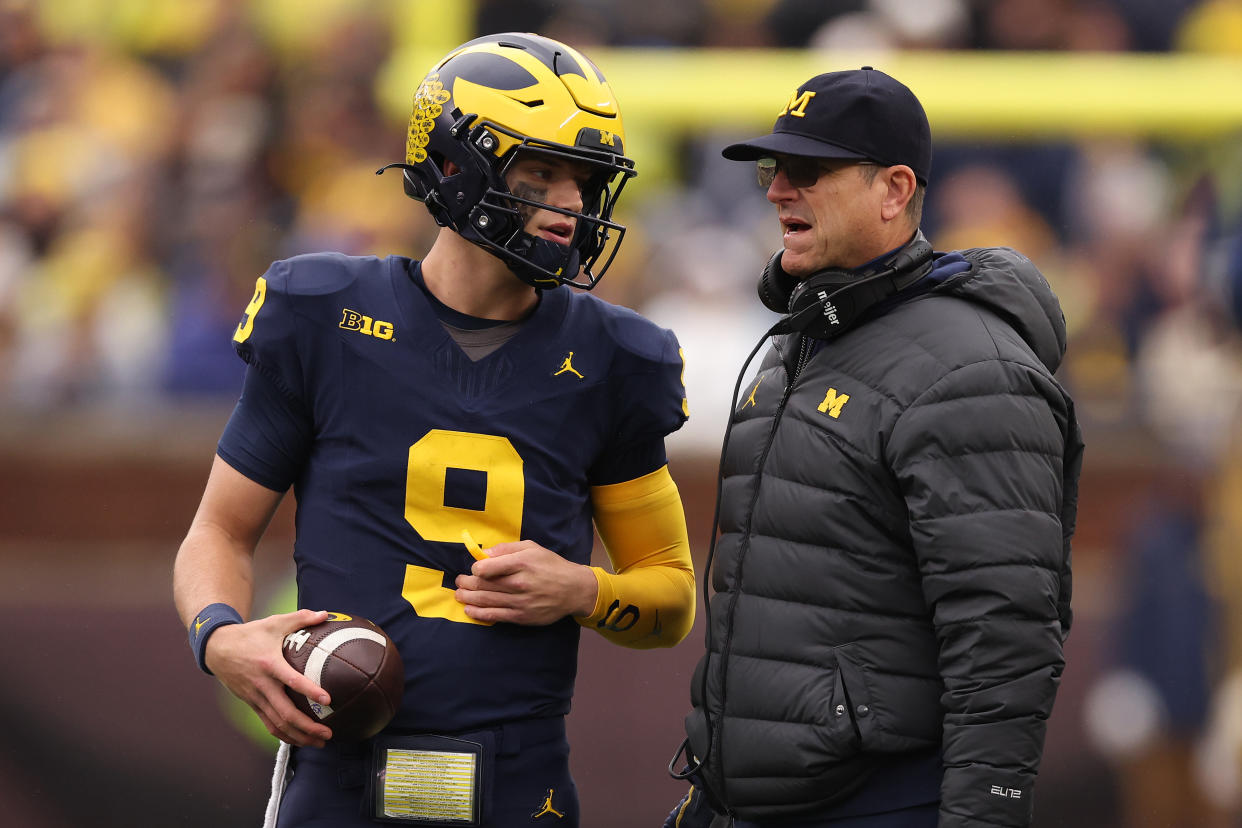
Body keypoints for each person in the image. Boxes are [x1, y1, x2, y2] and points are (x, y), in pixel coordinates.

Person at [172, 32, 696, 828]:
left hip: (520, 778)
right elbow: (219, 531)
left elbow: (670, 595)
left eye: (585, 182)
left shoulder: (616, 358)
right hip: (339, 767)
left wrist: (582, 588)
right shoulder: (323, 316)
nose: (572, 206)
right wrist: (219, 638)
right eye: (542, 173)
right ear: (454, 165)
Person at [665, 67, 1084, 827]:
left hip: (880, 802)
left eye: (807, 170)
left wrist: (985, 815)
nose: (776, 190)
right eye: (772, 168)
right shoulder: (804, 337)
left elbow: (1005, 634)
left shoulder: (970, 367)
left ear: (894, 190)